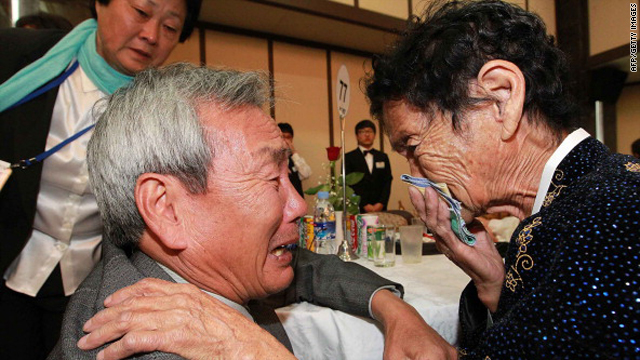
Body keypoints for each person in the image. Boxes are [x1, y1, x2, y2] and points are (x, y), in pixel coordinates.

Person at [49, 63, 445, 360]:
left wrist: (393, 309)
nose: (300, 205)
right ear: (166, 209)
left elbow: (303, 267)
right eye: (270, 180)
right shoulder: (149, 347)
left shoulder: (174, 264)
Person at [364, 0, 640, 358]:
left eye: (414, 147)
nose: (416, 178)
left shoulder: (613, 218)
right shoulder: (578, 203)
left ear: (500, 97)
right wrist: (495, 283)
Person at [0, 0, 201, 358]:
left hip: (88, 290)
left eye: (170, 28)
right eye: (141, 12)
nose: (150, 35)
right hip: (8, 261)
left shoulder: (168, 111)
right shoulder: (17, 56)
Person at [345, 119, 393, 213]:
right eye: (362, 132)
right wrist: (363, 204)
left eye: (369, 131)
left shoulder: (383, 157)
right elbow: (348, 184)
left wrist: (381, 203)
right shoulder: (349, 157)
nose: (367, 135)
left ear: (374, 135)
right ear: (357, 136)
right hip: (358, 209)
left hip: (380, 208)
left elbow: (387, 181)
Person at [277, 122, 312, 197]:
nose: (286, 140)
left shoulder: (295, 158)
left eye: (288, 137)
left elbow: (306, 174)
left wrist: (294, 152)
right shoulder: (273, 158)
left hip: (296, 200)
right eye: (283, 137)